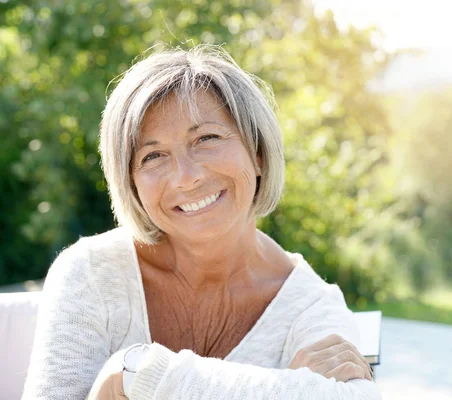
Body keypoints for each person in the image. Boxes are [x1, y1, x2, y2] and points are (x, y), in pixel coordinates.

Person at [21, 45, 380, 399]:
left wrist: (134, 374)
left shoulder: (311, 305)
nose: (186, 177)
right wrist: (282, 388)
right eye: (154, 156)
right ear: (130, 182)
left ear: (257, 153)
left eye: (206, 138)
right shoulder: (91, 273)